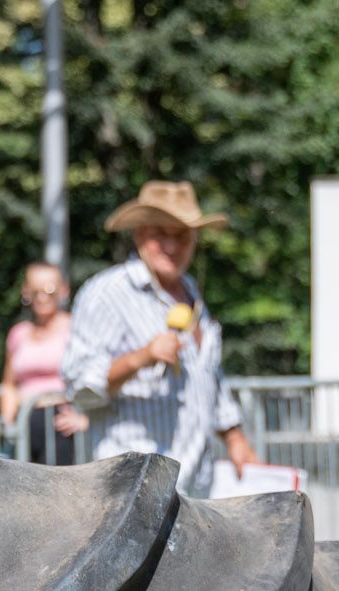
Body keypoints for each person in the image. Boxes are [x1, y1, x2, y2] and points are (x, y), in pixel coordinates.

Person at [60, 180, 255, 493]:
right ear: (139, 234)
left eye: (182, 236)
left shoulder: (192, 294)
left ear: (195, 239)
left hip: (194, 488)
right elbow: (79, 385)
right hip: (131, 490)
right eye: (160, 234)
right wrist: (141, 357)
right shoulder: (108, 293)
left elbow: (208, 378)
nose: (172, 246)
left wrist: (235, 438)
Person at [0, 261, 86, 464]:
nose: (42, 297)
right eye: (35, 291)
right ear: (26, 292)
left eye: (49, 290)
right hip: (25, 424)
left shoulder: (76, 328)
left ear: (63, 290)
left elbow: (99, 376)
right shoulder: (18, 333)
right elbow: (9, 384)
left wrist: (85, 419)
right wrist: (8, 423)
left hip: (62, 425)